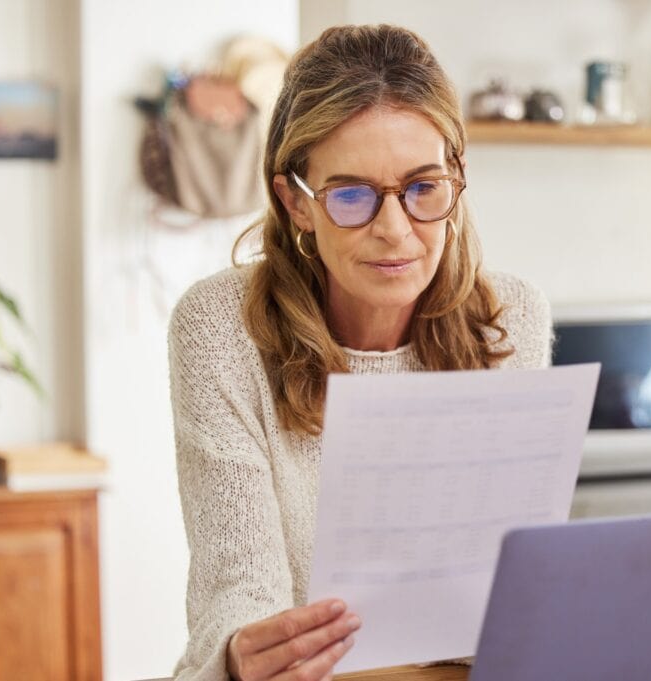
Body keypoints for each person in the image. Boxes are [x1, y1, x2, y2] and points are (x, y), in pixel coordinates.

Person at [168, 24, 552, 681]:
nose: (395, 231)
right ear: (296, 201)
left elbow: (502, 590)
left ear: (457, 178)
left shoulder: (509, 319)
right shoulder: (220, 328)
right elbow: (239, 588)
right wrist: (241, 655)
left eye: (424, 188)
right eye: (352, 196)